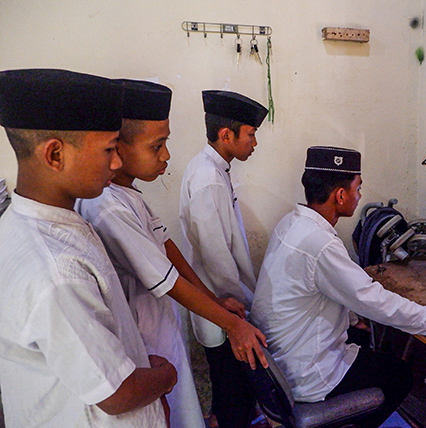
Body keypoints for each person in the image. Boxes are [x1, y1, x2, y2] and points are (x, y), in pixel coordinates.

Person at [76, 80, 268, 428]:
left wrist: (215, 300)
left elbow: (167, 246)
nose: (166, 156)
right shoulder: (107, 206)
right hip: (145, 336)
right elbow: (175, 275)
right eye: (157, 146)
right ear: (117, 149)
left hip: (174, 319)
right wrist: (233, 318)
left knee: (190, 405)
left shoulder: (129, 193)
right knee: (194, 403)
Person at [251, 146, 426, 428]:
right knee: (399, 374)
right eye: (357, 188)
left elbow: (312, 291)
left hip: (280, 363)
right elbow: (376, 301)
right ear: (341, 195)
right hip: (308, 375)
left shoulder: (292, 223)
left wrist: (350, 316)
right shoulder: (320, 244)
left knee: (360, 337)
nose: (359, 196)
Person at [0, 68, 176, 427]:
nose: (116, 162)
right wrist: (164, 377)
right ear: (54, 155)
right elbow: (118, 394)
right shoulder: (55, 272)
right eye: (110, 149)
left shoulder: (39, 221)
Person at [179, 90, 268, 428]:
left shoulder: (212, 169)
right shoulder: (207, 179)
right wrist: (244, 308)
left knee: (228, 389)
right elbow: (216, 256)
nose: (255, 143)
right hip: (222, 307)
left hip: (221, 304)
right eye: (251, 134)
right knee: (233, 393)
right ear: (226, 134)